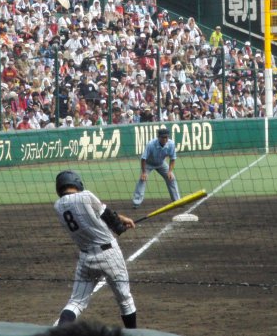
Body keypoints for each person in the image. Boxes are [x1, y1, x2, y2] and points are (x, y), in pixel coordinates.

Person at [53, 170, 137, 329]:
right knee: (125, 300)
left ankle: (60, 333)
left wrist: (119, 223)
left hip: (86, 259)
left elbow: (97, 216)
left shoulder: (58, 206)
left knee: (76, 302)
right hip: (109, 255)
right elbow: (108, 215)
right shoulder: (86, 195)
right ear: (76, 182)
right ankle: (133, 333)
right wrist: (120, 226)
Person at [132, 127, 181, 208]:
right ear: (158, 137)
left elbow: (172, 159)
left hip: (161, 163)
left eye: (166, 137)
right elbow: (143, 159)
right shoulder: (151, 144)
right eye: (163, 137)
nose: (165, 139)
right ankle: (136, 202)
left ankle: (177, 201)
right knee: (142, 179)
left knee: (171, 178)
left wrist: (169, 171)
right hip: (148, 163)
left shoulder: (171, 144)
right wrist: (144, 172)